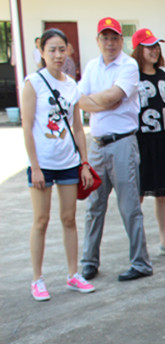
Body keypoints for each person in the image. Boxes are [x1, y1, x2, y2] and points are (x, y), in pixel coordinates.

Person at [22, 28, 95, 301]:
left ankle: (73, 274)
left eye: (61, 49)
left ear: (68, 52)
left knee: (69, 218)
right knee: (41, 220)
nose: (57, 55)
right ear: (42, 52)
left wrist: (84, 163)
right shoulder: (33, 83)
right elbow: (27, 127)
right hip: (43, 164)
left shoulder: (71, 85)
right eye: (51, 49)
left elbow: (77, 128)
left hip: (68, 162)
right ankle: (37, 279)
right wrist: (35, 167)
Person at [78, 17, 152, 282]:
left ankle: (141, 263)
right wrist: (104, 101)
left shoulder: (129, 65)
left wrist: (98, 100)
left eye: (114, 38)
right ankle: (89, 261)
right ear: (98, 41)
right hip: (97, 145)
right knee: (94, 206)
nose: (110, 43)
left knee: (129, 206)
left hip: (122, 144)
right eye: (105, 38)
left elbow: (114, 96)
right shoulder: (92, 67)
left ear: (121, 40)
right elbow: (79, 101)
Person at [132, 28, 165, 258]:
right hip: (140, 140)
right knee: (138, 194)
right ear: (138, 50)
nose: (154, 51)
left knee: (163, 193)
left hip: (162, 140)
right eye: (149, 47)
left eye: (156, 46)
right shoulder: (132, 76)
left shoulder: (162, 74)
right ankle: (138, 245)